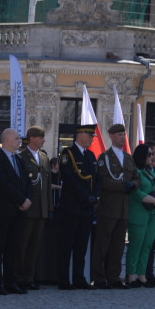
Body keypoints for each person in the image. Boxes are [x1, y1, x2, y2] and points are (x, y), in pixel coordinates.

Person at [92, 123, 137, 289]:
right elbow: (103, 181)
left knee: (118, 245)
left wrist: (133, 185)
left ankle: (114, 276)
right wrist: (123, 185)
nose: (122, 137)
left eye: (123, 134)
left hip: (124, 209)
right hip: (109, 207)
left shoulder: (128, 158)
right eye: (119, 135)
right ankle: (99, 277)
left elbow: (136, 178)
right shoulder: (104, 157)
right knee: (102, 244)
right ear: (111, 136)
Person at [55, 124, 100, 290]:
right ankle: (64, 279)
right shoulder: (68, 154)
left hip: (87, 208)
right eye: (89, 136)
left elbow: (96, 178)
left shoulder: (91, 155)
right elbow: (69, 179)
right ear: (80, 135)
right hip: (72, 206)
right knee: (67, 244)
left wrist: (94, 196)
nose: (90, 139)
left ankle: (79, 277)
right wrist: (85, 196)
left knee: (81, 245)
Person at [0, 128, 31, 295]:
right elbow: (3, 184)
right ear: (6, 140)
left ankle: (10, 281)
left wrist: (28, 199)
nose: (19, 141)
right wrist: (21, 200)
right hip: (4, 210)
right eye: (16, 138)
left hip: (19, 212)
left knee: (13, 248)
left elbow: (27, 182)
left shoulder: (19, 159)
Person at [126, 143, 155, 287]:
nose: (152, 157)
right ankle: (131, 276)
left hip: (153, 213)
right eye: (149, 154)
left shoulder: (151, 171)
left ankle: (142, 276)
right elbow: (136, 192)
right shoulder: (134, 171)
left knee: (147, 246)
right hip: (139, 212)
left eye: (152, 154)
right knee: (136, 245)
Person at [16, 126, 50, 290]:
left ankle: (29, 277)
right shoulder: (22, 157)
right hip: (27, 209)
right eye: (40, 137)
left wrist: (48, 207)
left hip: (41, 209)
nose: (43, 140)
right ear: (32, 138)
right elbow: (21, 184)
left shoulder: (43, 157)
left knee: (34, 246)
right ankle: (19, 276)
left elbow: (47, 185)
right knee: (22, 244)